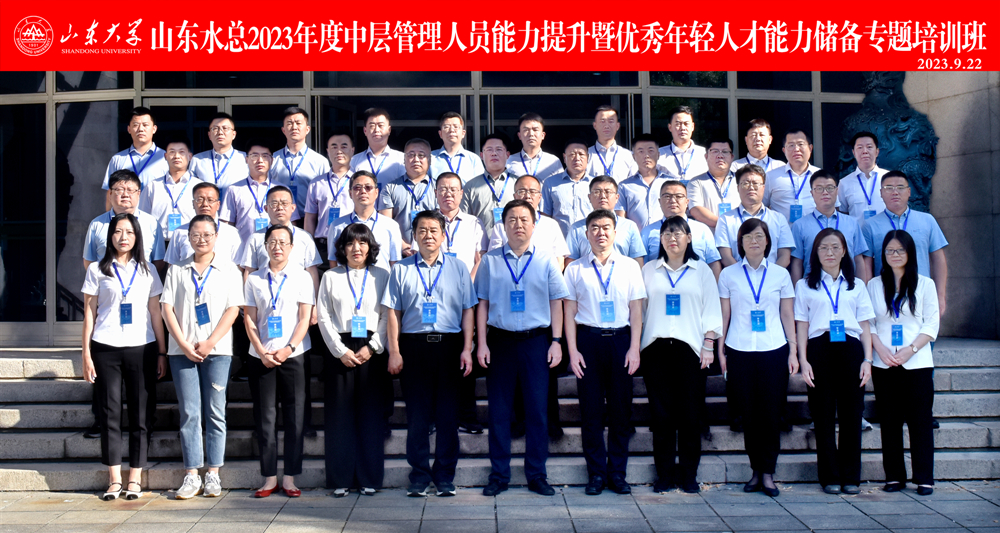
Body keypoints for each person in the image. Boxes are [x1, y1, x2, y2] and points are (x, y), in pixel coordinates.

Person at [475, 200, 569, 497]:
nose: (518, 224)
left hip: (536, 342)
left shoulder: (546, 260)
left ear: (534, 224)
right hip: (500, 342)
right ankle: (499, 475)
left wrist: (556, 342)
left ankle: (537, 475)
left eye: (524, 219)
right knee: (499, 412)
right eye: (512, 219)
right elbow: (482, 304)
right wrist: (481, 343)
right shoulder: (490, 261)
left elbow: (557, 302)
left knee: (537, 411)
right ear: (503, 225)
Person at [384, 211, 477, 497]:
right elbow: (393, 313)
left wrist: (467, 348)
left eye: (434, 230)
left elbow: (468, 310)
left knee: (448, 416)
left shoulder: (458, 267)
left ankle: (445, 476)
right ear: (414, 235)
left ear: (443, 234)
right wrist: (394, 351)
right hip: (414, 347)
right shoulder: (401, 269)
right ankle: (419, 476)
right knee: (418, 416)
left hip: (449, 346)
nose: (428, 235)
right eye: (422, 230)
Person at [81, 213, 166, 501]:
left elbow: (155, 312)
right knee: (110, 413)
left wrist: (162, 352)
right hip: (105, 347)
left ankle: (135, 478)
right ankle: (114, 479)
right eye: (118, 232)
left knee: (141, 415)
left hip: (142, 347)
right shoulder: (97, 269)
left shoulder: (147, 270)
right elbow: (90, 313)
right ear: (110, 236)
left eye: (129, 232)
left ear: (137, 236)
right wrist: (86, 353)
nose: (123, 237)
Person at [160, 215, 244, 499]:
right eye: (196, 234)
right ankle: (192, 474)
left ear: (216, 236)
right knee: (189, 412)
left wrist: (210, 342)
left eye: (207, 234)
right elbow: (167, 308)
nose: (201, 239)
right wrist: (183, 344)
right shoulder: (177, 269)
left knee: (215, 411)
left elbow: (233, 309)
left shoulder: (228, 269)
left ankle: (213, 473)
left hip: (217, 351)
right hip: (181, 352)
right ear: (188, 237)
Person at [564, 210, 646, 495]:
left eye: (606, 227)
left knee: (621, 412)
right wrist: (573, 351)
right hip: (588, 341)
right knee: (591, 413)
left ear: (615, 232)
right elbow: (569, 311)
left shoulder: (630, 267)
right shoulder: (574, 269)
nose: (601, 232)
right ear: (586, 233)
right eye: (595, 228)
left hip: (621, 341)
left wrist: (634, 347)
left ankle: (618, 474)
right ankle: (596, 474)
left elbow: (636, 310)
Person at [640, 216, 722, 493]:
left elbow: (712, 308)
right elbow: (640, 311)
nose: (672, 238)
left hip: (692, 350)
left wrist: (709, 343)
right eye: (666, 233)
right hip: (656, 349)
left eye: (677, 233)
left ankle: (688, 475)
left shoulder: (701, 271)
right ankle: (664, 475)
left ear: (689, 238)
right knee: (661, 416)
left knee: (690, 416)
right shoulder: (649, 270)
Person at [718, 218, 798, 498]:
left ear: (768, 242)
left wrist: (793, 350)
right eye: (748, 236)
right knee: (749, 414)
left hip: (773, 349)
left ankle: (768, 473)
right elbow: (724, 315)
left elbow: (787, 313)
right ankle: (755, 470)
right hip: (739, 349)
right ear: (740, 243)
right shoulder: (728, 275)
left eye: (759, 236)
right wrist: (720, 350)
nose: (754, 241)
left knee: (771, 414)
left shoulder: (780, 275)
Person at [794, 228, 875, 495]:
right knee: (823, 415)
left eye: (835, 247)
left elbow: (865, 325)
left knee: (852, 414)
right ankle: (829, 476)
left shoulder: (857, 285)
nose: (830, 252)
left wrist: (867, 359)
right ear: (815, 253)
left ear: (844, 251)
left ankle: (851, 477)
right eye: (824, 248)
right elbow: (802, 325)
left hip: (851, 349)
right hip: (819, 349)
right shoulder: (805, 285)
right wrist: (803, 359)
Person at [317, 223, 390, 496]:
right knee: (340, 416)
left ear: (370, 247)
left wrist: (373, 346)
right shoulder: (331, 276)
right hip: (341, 349)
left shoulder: (382, 275)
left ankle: (369, 477)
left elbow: (387, 314)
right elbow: (323, 315)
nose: (356, 248)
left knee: (370, 415)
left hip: (372, 349)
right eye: (350, 243)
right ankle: (341, 478)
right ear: (342, 248)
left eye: (362, 243)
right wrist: (339, 350)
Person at [243, 224, 315, 498]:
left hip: (293, 354)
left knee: (295, 417)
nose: (277, 247)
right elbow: (249, 319)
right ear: (265, 246)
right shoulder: (254, 279)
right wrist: (261, 351)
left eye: (283, 242)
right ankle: (269, 477)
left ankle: (291, 478)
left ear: (292, 247)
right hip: (261, 355)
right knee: (266, 417)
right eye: (272, 242)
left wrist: (288, 348)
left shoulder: (302, 277)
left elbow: (304, 318)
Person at [867, 230, 939, 496]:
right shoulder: (874, 285)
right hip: (884, 362)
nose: (894, 255)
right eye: (889, 251)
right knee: (889, 422)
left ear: (910, 253)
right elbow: (868, 322)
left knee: (920, 421)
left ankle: (924, 478)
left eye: (900, 250)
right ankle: (894, 476)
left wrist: (911, 349)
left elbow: (931, 323)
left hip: (917, 362)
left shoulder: (925, 284)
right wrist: (879, 348)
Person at [861, 171, 949, 316]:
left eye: (900, 187)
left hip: (921, 293)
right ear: (881, 193)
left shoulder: (927, 221)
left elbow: (939, 259)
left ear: (909, 192)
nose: (895, 192)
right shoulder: (870, 225)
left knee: (925, 330)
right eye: (889, 188)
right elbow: (866, 264)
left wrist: (940, 295)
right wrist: (869, 296)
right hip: (885, 295)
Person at [790, 170, 868, 284]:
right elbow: (797, 262)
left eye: (830, 188)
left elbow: (858, 260)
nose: (825, 192)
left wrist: (862, 288)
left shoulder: (852, 223)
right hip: (812, 286)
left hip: (847, 286)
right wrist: (797, 290)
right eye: (819, 188)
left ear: (837, 191)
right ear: (812, 193)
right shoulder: (800, 225)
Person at [84, 170, 166, 272]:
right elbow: (89, 261)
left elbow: (158, 261)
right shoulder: (97, 224)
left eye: (130, 190)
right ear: (110, 193)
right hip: (107, 280)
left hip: (141, 280)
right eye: (119, 190)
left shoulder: (152, 223)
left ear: (138, 194)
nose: (125, 195)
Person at [220, 142, 301, 244]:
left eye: (265, 156)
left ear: (271, 160)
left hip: (276, 247)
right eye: (254, 155)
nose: (260, 160)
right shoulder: (234, 189)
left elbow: (292, 221)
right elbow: (227, 224)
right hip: (243, 247)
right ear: (246, 159)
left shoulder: (282, 190)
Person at [715, 165, 794, 267]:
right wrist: (742, 274)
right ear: (738, 188)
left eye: (756, 183)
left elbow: (785, 256)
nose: (751, 187)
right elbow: (725, 257)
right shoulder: (725, 219)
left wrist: (771, 275)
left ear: (763, 188)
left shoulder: (778, 219)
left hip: (773, 275)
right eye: (746, 183)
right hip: (737, 275)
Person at [640, 180, 722, 278]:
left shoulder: (702, 229)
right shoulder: (647, 232)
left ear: (687, 202)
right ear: (659, 201)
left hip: (697, 284)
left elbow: (713, 263)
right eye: (667, 196)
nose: (673, 200)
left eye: (679, 196)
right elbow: (642, 266)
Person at [411, 172, 484, 277]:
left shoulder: (474, 223)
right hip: (432, 280)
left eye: (453, 190)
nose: (448, 194)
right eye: (443, 189)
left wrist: (469, 282)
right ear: (435, 193)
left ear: (461, 193)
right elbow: (416, 254)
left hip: (466, 281)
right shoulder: (424, 222)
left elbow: (480, 259)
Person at [328, 170, 403, 272]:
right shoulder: (337, 225)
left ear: (376, 192)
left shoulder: (391, 225)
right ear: (350, 193)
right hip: (347, 279)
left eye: (368, 187)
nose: (363, 191)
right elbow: (333, 261)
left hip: (380, 280)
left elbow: (395, 262)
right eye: (357, 188)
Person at [564, 176, 646, 268]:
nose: (602, 196)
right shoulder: (576, 228)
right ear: (589, 197)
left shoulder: (629, 226)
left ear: (617, 197)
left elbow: (637, 261)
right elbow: (570, 264)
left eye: (608, 192)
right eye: (597, 192)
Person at [488, 175, 570, 264]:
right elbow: (494, 258)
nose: (527, 196)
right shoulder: (502, 225)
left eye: (532, 192)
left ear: (539, 197)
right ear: (515, 196)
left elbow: (559, 259)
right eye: (522, 191)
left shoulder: (551, 224)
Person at [101, 107, 168, 207]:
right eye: (136, 125)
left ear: (154, 129)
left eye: (145, 125)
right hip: (125, 215)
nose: (141, 129)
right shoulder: (118, 159)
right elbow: (110, 193)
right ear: (129, 129)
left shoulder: (166, 158)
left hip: (154, 215)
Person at [304, 132, 355, 263]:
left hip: (352, 244)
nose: (339, 151)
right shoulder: (316, 183)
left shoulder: (359, 182)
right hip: (323, 246)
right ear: (327, 151)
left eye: (344, 146)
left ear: (352, 150)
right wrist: (308, 245)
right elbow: (310, 217)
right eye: (334, 146)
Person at [379, 138, 437, 252]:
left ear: (429, 160)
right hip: (399, 253)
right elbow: (385, 224)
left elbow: (442, 222)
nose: (416, 159)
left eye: (421, 155)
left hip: (431, 251)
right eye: (411, 155)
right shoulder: (390, 188)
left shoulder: (438, 188)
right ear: (404, 159)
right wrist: (403, 246)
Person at [140, 139, 202, 243]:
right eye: (172, 152)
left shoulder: (199, 186)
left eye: (181, 152)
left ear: (190, 156)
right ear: (165, 156)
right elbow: (143, 218)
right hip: (159, 243)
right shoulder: (153, 186)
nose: (177, 156)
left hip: (189, 243)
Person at [270, 107, 331, 213]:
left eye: (298, 123)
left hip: (309, 217)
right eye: (289, 123)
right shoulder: (273, 159)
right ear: (283, 130)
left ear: (307, 129)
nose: (294, 127)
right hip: (279, 217)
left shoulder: (320, 161)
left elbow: (326, 194)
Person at [165, 183, 243, 265]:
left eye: (210, 200)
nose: (205, 204)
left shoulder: (231, 233)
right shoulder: (179, 232)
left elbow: (238, 266)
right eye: (200, 200)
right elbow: (172, 264)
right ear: (193, 204)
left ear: (218, 204)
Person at [763, 129, 821, 224]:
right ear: (784, 150)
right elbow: (761, 206)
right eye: (791, 145)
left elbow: (833, 207)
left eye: (801, 144)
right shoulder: (771, 176)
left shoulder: (821, 176)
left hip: (815, 231)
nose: (796, 149)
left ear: (810, 148)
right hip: (782, 231)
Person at [461, 133, 515, 235]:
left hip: (512, 241)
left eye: (499, 149)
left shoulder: (518, 183)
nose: (494, 153)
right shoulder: (471, 186)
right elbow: (464, 219)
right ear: (481, 155)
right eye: (489, 150)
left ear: (507, 155)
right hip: (480, 242)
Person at [616, 134, 671, 229]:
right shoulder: (624, 186)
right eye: (641, 151)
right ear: (634, 157)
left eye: (651, 151)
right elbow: (621, 219)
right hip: (637, 237)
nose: (646, 156)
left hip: (667, 236)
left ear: (658, 155)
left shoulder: (671, 183)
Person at [190, 112, 249, 200]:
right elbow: (190, 189)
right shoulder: (198, 160)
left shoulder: (245, 159)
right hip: (206, 207)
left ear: (234, 134)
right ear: (209, 135)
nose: (220, 132)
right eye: (215, 128)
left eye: (225, 128)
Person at [541, 140, 593, 236]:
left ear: (588, 158)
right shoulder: (550, 183)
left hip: (589, 240)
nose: (577, 158)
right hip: (560, 239)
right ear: (564, 158)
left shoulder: (595, 184)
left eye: (581, 154)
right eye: (572, 154)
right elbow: (545, 216)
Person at [687, 138, 738, 230]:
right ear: (706, 156)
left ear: (732, 157)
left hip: (738, 234)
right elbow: (695, 209)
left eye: (725, 152)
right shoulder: (696, 182)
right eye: (715, 151)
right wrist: (726, 226)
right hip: (709, 236)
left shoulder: (741, 180)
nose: (720, 156)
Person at [838, 131, 887, 223]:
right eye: (860, 147)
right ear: (854, 152)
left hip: (885, 231)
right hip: (857, 232)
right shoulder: (844, 183)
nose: (865, 151)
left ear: (877, 152)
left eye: (869, 147)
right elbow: (843, 213)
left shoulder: (888, 178)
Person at [350, 108, 405, 188]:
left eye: (380, 125)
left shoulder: (402, 159)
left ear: (389, 130)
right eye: (372, 126)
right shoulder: (354, 161)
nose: (376, 130)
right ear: (365, 130)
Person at [505, 112, 564, 182]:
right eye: (526, 130)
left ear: (543, 135)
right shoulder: (508, 161)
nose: (531, 134)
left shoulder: (553, 161)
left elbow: (561, 185)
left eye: (535, 130)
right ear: (519, 135)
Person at [430, 111, 485, 184]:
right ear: (440, 134)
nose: (451, 130)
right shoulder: (430, 158)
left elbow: (480, 186)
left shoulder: (473, 159)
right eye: (446, 127)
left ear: (463, 133)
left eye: (456, 127)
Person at [657, 105, 708, 184]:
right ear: (670, 127)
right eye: (678, 124)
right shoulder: (658, 155)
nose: (683, 128)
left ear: (692, 127)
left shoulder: (705, 154)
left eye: (686, 124)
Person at [586, 105, 637, 183]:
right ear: (595, 125)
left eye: (611, 121)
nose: (606, 126)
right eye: (602, 121)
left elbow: (633, 184)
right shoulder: (585, 156)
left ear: (617, 126)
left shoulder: (629, 156)